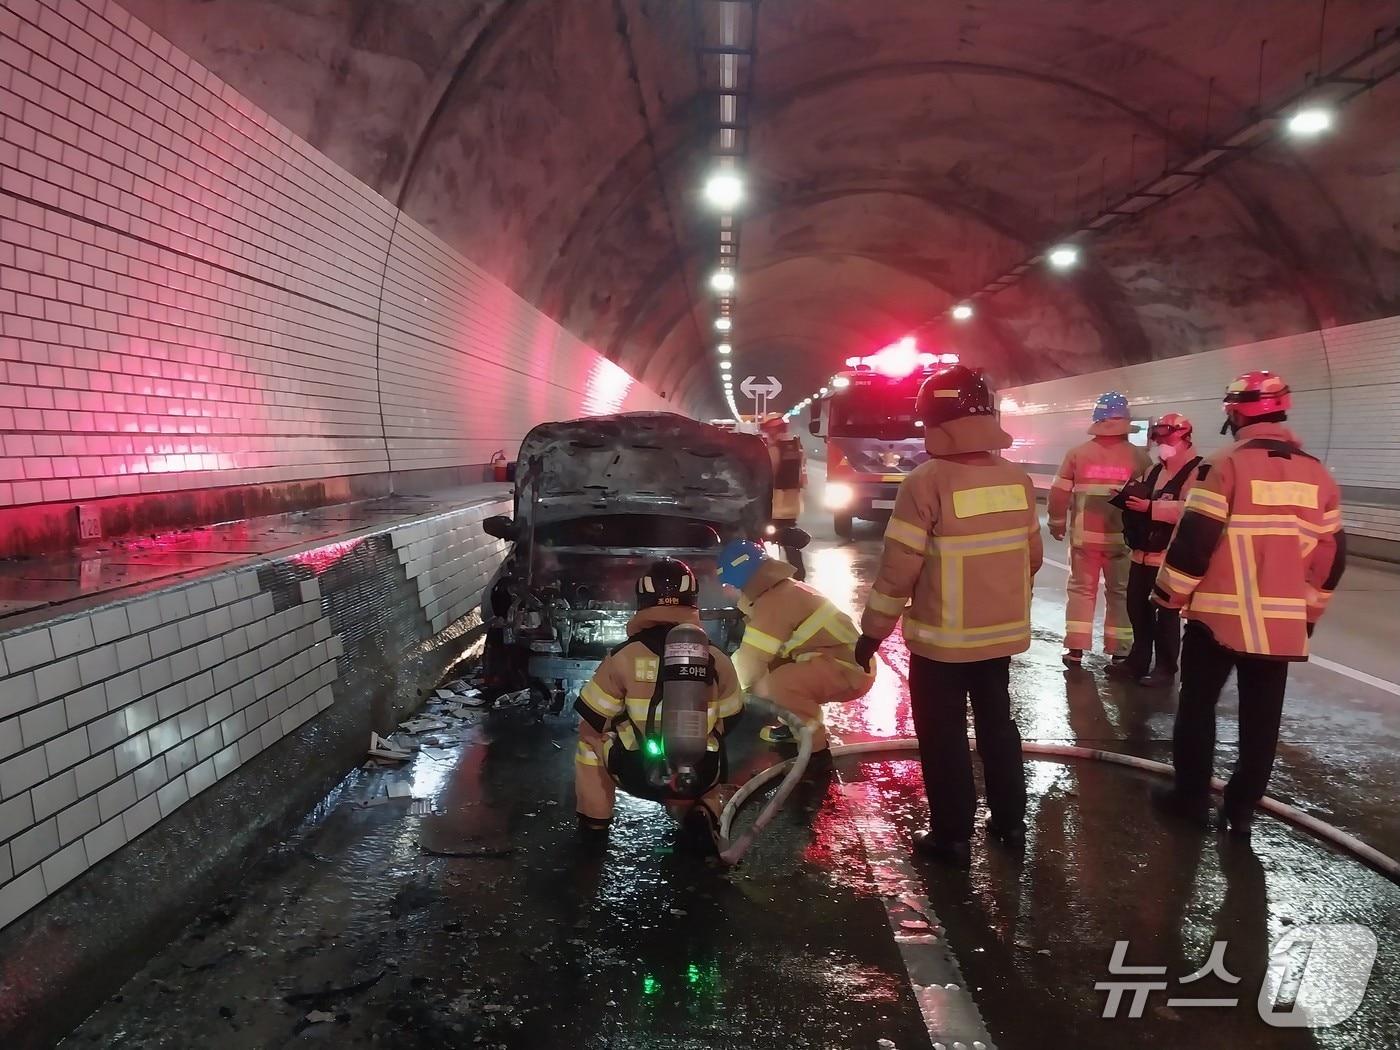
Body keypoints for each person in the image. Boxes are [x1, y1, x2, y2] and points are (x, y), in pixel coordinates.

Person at [854, 365, 1043, 867]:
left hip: (942, 643)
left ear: (934, 419)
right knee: (999, 727)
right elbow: (1033, 557)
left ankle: (952, 837)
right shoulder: (1017, 479)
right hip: (999, 639)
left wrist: (871, 634)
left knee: (944, 736)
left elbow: (898, 572)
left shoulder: (927, 481)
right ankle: (1009, 823)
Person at [1151, 371, 1345, 839]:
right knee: (1262, 720)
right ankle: (1240, 812)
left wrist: (1168, 596)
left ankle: (1191, 800)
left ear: (1235, 413)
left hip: (1216, 618)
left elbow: (1196, 541)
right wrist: (1308, 614)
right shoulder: (1317, 474)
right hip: (1279, 625)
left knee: (1197, 708)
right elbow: (1331, 555)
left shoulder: (1223, 465)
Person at [573, 558, 744, 852]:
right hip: (700, 774)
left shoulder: (623, 656)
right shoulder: (716, 657)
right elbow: (732, 717)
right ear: (692, 601)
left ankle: (595, 821)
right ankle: (705, 810)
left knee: (588, 741)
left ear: (643, 602)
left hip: (638, 773)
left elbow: (594, 717)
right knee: (717, 741)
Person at [716, 538, 874, 755]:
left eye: (730, 585)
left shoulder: (774, 603)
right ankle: (793, 725)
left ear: (744, 580)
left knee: (778, 684)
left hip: (847, 669)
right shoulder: (781, 590)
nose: (728, 591)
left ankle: (814, 746)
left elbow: (750, 661)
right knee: (774, 668)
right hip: (839, 661)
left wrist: (723, 684)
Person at [1047, 391, 1150, 668]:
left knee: (1082, 591)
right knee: (1121, 593)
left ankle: (1076, 649)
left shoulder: (1077, 454)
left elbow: (1058, 494)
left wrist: (1057, 522)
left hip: (1085, 539)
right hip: (1123, 540)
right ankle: (1120, 650)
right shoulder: (1140, 458)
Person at [1112, 413, 1202, 687]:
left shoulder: (1198, 471)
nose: (1161, 444)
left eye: (1167, 438)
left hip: (1168, 557)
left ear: (1185, 437)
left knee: (1166, 615)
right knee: (1137, 608)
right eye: (1158, 438)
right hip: (1142, 553)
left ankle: (1165, 669)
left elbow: (1194, 510)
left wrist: (1151, 508)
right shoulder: (1155, 470)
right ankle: (1138, 661)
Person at [760, 414, 808, 580]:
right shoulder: (796, 446)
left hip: (774, 506)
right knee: (790, 543)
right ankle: (799, 575)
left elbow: (768, 475)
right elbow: (802, 478)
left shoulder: (773, 449)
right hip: (791, 505)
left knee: (763, 540)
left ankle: (771, 577)